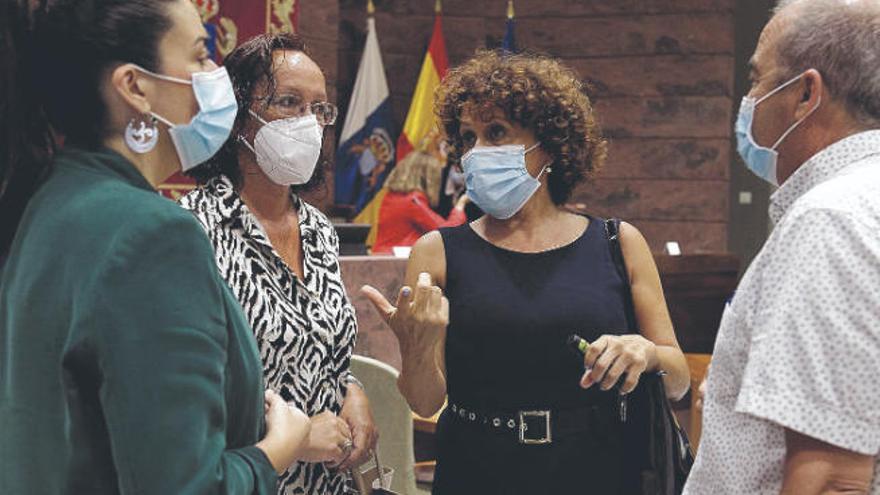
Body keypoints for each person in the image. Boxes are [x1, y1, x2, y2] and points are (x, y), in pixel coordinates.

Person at [0, 1, 312, 493]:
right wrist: (275, 450)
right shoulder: (152, 233)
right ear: (135, 86)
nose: (215, 75)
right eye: (199, 55)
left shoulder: (52, 198)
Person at [362, 50, 690, 494]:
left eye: (496, 132)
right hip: (478, 469)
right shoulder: (437, 252)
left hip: (598, 468)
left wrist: (645, 353)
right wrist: (416, 347)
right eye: (468, 137)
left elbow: (678, 378)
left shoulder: (618, 242)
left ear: (551, 144)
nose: (478, 152)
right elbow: (424, 400)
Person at [685, 1, 880, 493]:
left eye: (757, 79)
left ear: (805, 94)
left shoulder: (830, 218)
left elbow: (834, 476)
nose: (749, 98)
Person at [180, 33, 377, 495]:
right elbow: (182, 391)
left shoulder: (318, 229)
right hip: (243, 480)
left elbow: (316, 347)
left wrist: (352, 390)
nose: (308, 123)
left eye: (319, 109)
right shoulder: (193, 229)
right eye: (288, 102)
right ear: (237, 118)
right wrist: (296, 438)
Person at [372, 134, 469, 255]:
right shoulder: (413, 201)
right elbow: (447, 233)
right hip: (396, 262)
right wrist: (460, 205)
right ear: (428, 177)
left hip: (382, 256)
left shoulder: (391, 197)